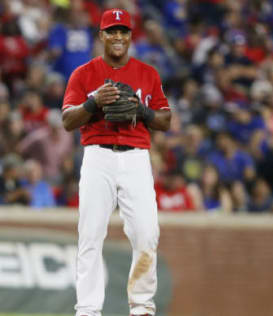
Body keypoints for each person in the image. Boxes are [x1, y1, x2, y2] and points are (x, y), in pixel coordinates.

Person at [61, 9, 171, 316]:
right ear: (101, 36)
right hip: (97, 155)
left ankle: (142, 307)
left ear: (131, 36)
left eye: (123, 31)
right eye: (111, 31)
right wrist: (93, 102)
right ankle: (87, 310)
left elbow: (166, 119)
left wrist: (143, 111)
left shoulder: (148, 74)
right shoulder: (83, 74)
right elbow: (68, 120)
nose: (118, 36)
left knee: (147, 233)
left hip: (136, 158)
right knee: (90, 234)